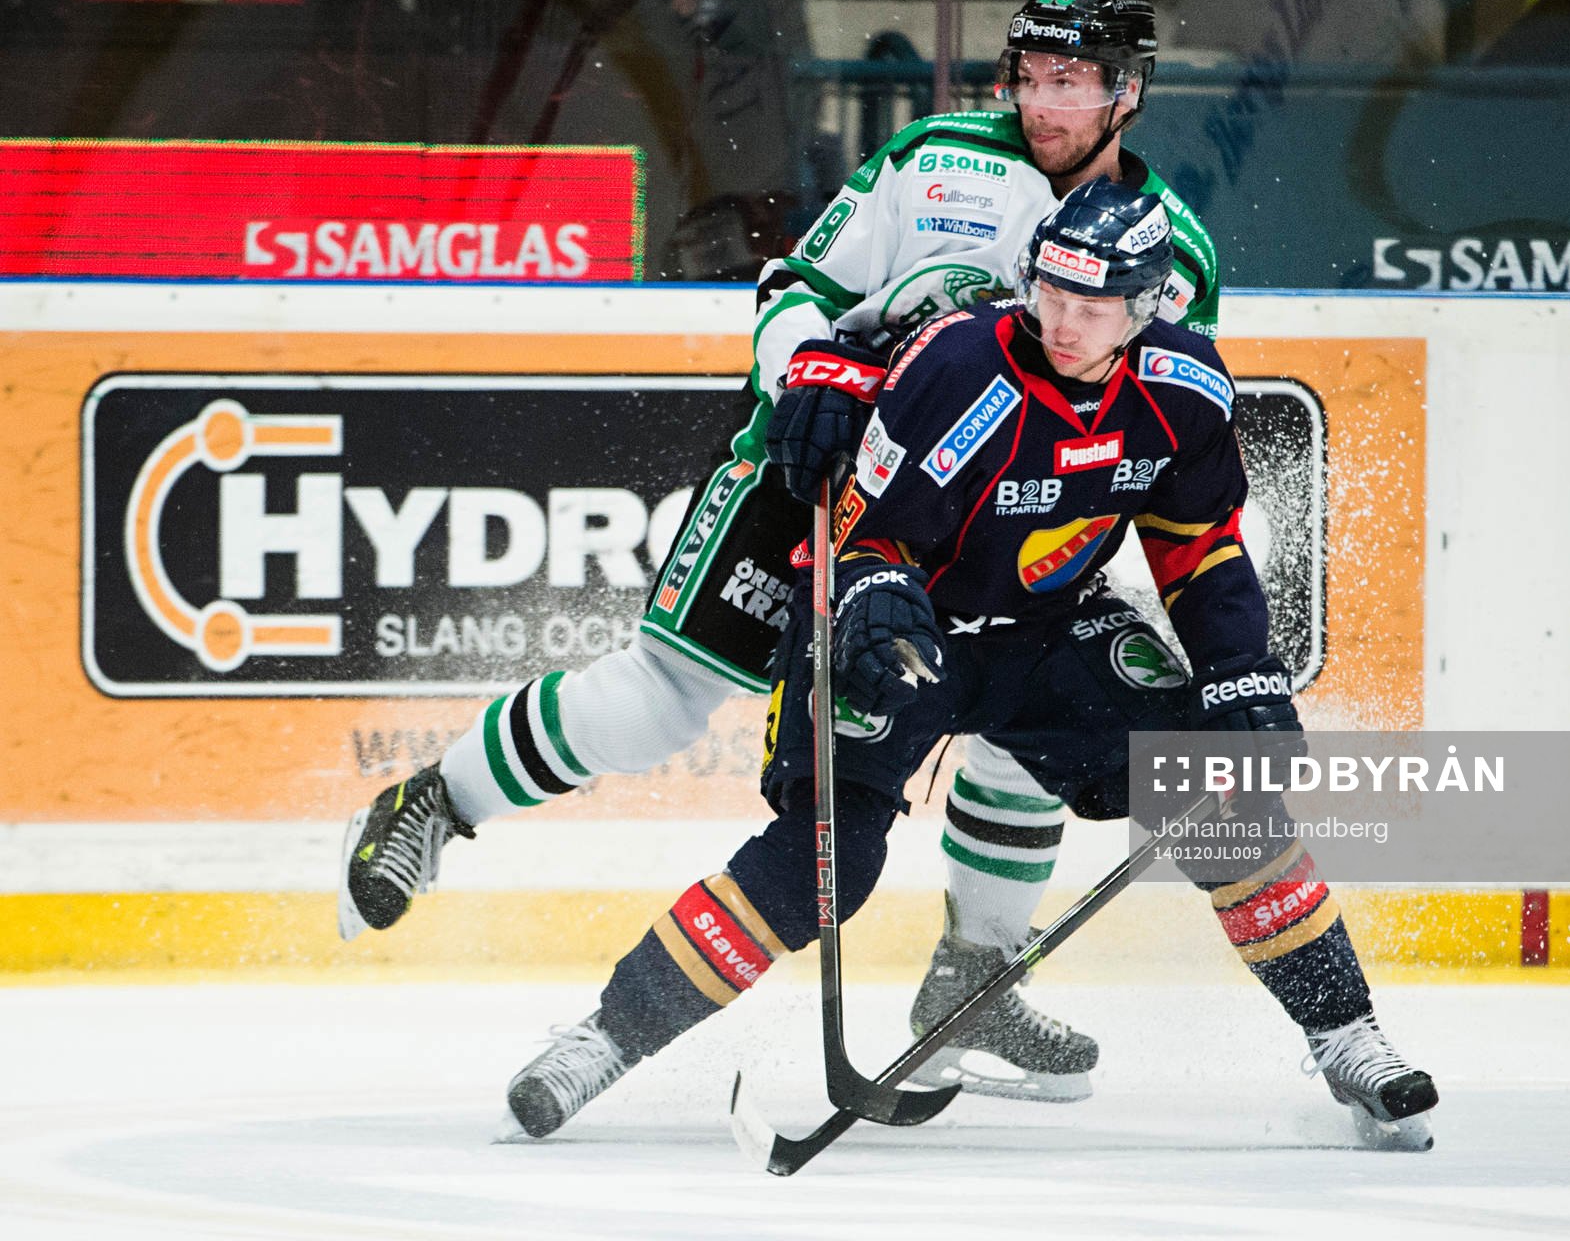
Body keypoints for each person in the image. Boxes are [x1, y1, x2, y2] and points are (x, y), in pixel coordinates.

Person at [338, 0, 1220, 1104]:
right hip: (806, 480)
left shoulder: (1172, 247)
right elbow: (795, 286)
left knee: (1017, 720)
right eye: (1030, 75)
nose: (1042, 101)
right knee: (659, 697)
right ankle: (436, 799)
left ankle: (980, 968)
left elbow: (1139, 408)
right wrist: (807, 371)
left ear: (1128, 92)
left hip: (966, 524)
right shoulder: (938, 156)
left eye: (1073, 80)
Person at [502, 179, 1439, 1147]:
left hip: (1046, 629)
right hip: (897, 630)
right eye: (1050, 295)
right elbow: (869, 534)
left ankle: (1346, 1035)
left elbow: (1196, 545)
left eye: (1092, 307)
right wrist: (869, 595)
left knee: (1220, 803)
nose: (1064, 323)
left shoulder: (1184, 388)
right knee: (824, 860)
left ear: (1149, 303)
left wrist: (1240, 665)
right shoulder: (958, 368)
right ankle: (601, 1039)